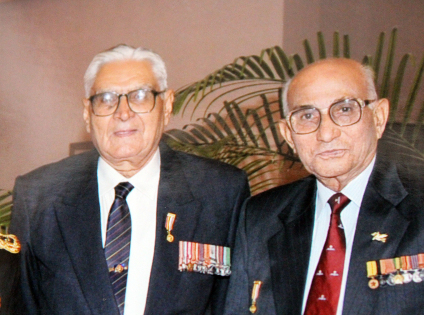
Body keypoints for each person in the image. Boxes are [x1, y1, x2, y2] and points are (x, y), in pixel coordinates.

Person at [224, 58, 424, 314]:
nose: (326, 133)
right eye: (307, 116)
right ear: (288, 134)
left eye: (344, 110)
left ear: (378, 117)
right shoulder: (262, 216)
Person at [9, 44, 250, 315]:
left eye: (140, 96)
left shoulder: (220, 192)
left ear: (167, 106)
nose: (123, 113)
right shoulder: (39, 195)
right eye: (106, 99)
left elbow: (232, 304)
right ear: (88, 114)